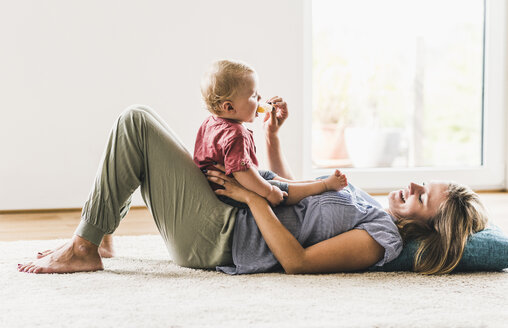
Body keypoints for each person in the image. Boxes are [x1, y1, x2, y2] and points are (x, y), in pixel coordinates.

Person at [18, 101, 488, 275]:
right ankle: (97, 235)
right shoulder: (372, 207)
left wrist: (247, 196)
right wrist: (273, 139)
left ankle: (85, 244)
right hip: (229, 213)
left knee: (136, 123)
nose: (412, 184)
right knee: (145, 123)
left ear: (426, 226)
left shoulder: (380, 240)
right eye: (423, 181)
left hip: (220, 238)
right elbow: (295, 192)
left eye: (424, 195)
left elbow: (296, 260)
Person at [195, 59, 347, 208]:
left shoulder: (210, 122)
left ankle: (315, 184)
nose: (260, 98)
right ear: (229, 107)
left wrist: (270, 133)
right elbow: (242, 173)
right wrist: (268, 192)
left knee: (268, 176)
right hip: (230, 192)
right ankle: (324, 185)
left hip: (226, 184)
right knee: (278, 188)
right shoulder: (236, 134)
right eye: (253, 96)